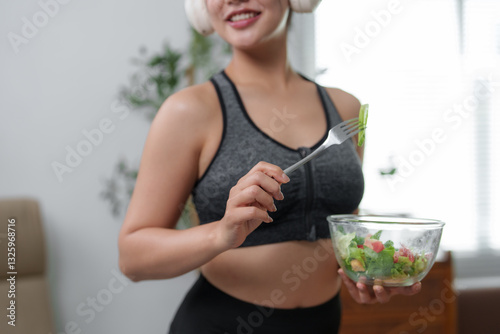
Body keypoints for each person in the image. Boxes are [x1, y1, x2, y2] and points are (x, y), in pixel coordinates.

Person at [118, 0, 422, 333]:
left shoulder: (345, 106)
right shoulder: (188, 111)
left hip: (323, 323)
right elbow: (133, 258)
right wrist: (222, 233)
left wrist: (367, 271)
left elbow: (345, 226)